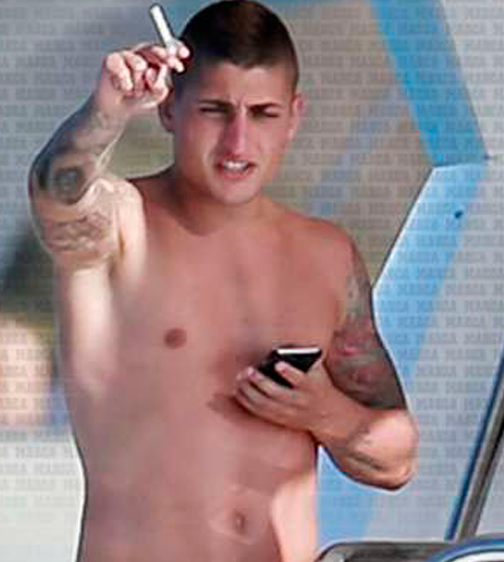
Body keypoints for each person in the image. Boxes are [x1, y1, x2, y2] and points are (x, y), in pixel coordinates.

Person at [29, 1, 418, 561]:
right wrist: (107, 110)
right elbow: (57, 191)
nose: (238, 143)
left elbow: (397, 459)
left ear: (294, 117)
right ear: (170, 109)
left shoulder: (327, 255)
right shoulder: (120, 226)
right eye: (215, 111)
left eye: (262, 114)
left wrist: (321, 411)